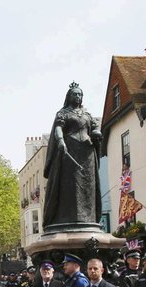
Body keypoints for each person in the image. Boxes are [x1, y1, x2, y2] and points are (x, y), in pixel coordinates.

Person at [43, 82, 102, 229]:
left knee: (87, 186)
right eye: (75, 94)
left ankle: (87, 218)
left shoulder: (87, 115)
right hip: (71, 151)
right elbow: (58, 128)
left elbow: (95, 128)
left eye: (80, 94)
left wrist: (97, 133)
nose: (78, 96)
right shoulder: (63, 113)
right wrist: (61, 141)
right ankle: (69, 217)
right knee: (71, 186)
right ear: (69, 97)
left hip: (87, 153)